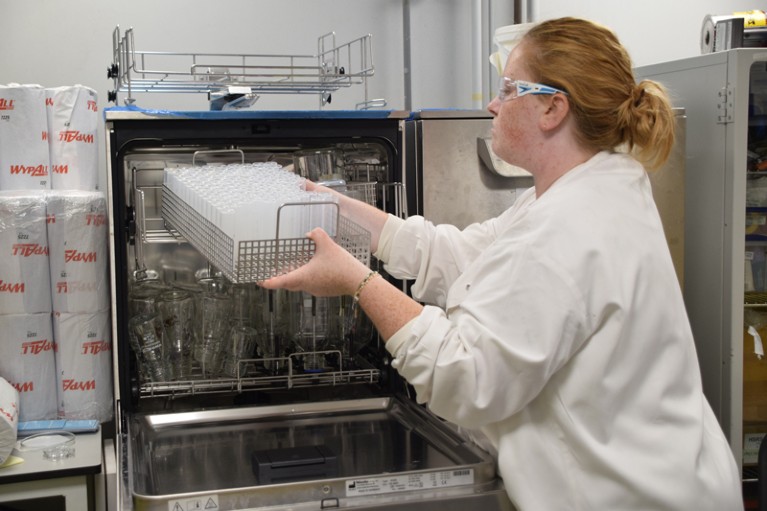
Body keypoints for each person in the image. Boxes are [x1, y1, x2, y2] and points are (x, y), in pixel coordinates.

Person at [261, 17, 743, 510]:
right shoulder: (589, 187)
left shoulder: (569, 228)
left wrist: (357, 282)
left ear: (553, 107)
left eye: (508, 88)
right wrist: (336, 208)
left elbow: (463, 377)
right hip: (674, 477)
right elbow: (465, 256)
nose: (493, 103)